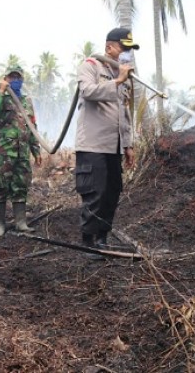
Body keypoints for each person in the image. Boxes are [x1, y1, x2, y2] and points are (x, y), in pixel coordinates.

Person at [75, 27, 137, 251]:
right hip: (93, 144)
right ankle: (88, 241)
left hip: (115, 145)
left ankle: (102, 238)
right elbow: (88, 92)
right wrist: (117, 81)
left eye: (129, 50)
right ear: (109, 47)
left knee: (112, 192)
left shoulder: (121, 75)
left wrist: (128, 144)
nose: (127, 54)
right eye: (124, 49)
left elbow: (124, 112)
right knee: (95, 192)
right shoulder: (91, 66)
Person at [0, 65, 42, 237]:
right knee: (1, 186)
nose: (16, 80)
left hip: (21, 152)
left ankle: (21, 222)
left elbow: (32, 126)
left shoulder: (26, 101)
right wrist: (2, 92)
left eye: (18, 77)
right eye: (12, 77)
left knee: (21, 186)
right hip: (2, 151)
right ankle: (0, 223)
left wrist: (36, 151)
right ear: (6, 78)